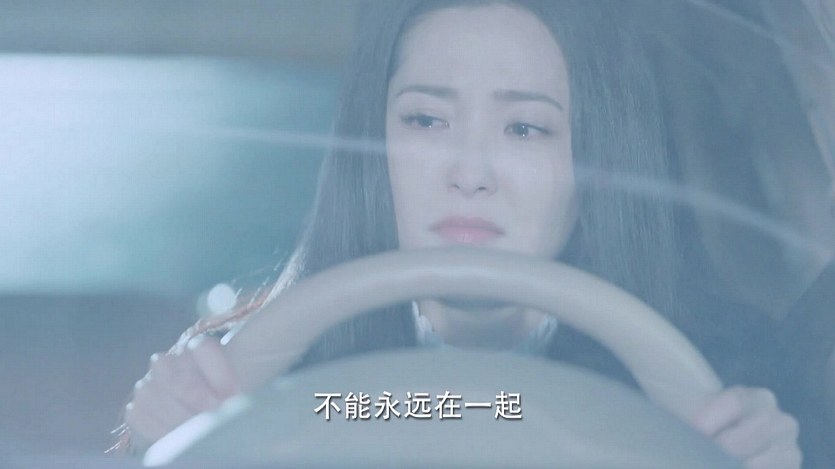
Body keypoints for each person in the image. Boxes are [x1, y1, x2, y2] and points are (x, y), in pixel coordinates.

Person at [116, 1, 802, 467]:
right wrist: (161, 438)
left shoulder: (724, 384)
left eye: (524, 128)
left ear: (596, 163)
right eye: (425, 121)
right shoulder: (246, 375)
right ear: (373, 146)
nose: (469, 172)